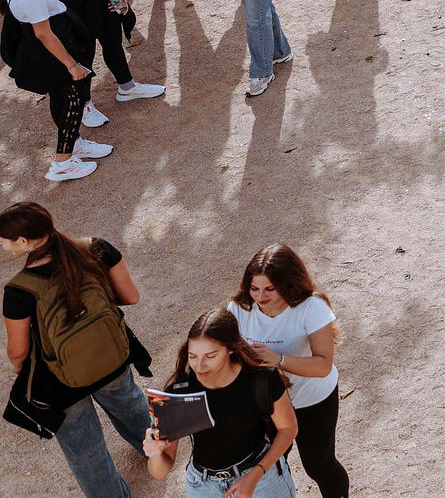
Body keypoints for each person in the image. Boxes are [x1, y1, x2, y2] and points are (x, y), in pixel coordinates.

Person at [2, 200, 154, 498]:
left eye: (4, 242)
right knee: (129, 402)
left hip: (59, 380)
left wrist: (21, 367)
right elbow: (130, 297)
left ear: (23, 241)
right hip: (111, 355)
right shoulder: (97, 249)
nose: (4, 247)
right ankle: (157, 451)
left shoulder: (20, 289)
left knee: (84, 447)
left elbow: (18, 352)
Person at [142, 309, 298, 498]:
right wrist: (155, 453)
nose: (199, 366)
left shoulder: (260, 379)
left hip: (261, 479)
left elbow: (288, 429)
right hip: (203, 486)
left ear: (231, 348)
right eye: (193, 356)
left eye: (210, 356)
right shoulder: (179, 391)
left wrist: (256, 475)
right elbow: (160, 471)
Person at [230, 246, 346, 498]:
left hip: (312, 400)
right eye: (254, 288)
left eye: (269, 289)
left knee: (319, 465)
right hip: (266, 403)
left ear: (288, 283)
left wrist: (277, 359)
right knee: (272, 467)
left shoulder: (311, 307)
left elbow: (323, 365)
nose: (260, 296)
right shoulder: (239, 309)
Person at [4, 0, 106, 181]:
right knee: (74, 98)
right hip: (49, 49)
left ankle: (74, 143)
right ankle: (62, 163)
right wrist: (71, 65)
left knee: (63, 96)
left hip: (56, 41)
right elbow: (43, 34)